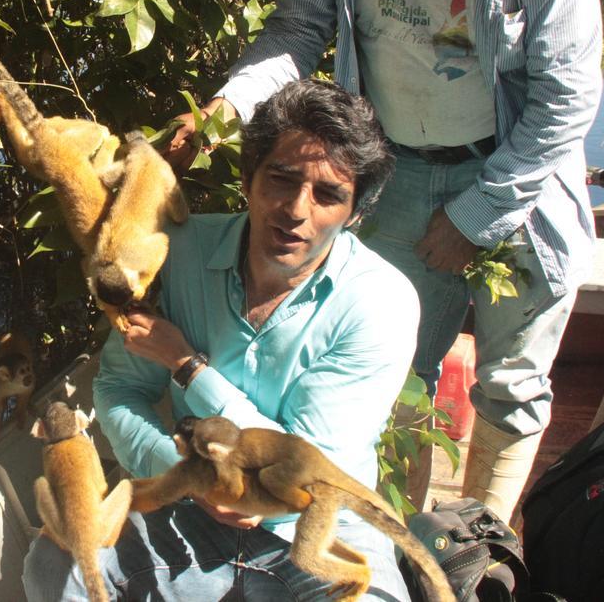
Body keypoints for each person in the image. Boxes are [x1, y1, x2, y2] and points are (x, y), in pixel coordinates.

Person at [166, 0, 603, 523]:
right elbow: (297, 30)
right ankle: (414, 545)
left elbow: (566, 100)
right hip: (396, 175)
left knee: (512, 385)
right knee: (399, 375)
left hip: (518, 178)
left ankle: (481, 555)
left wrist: (475, 219)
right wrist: (225, 109)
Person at [23, 79, 418, 600]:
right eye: (281, 179)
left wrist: (188, 366)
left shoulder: (380, 301)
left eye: (328, 195)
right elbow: (119, 389)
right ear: (248, 180)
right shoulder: (177, 251)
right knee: (56, 565)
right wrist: (184, 476)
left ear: (355, 214)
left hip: (315, 529)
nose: (297, 210)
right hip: (192, 510)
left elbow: (303, 469)